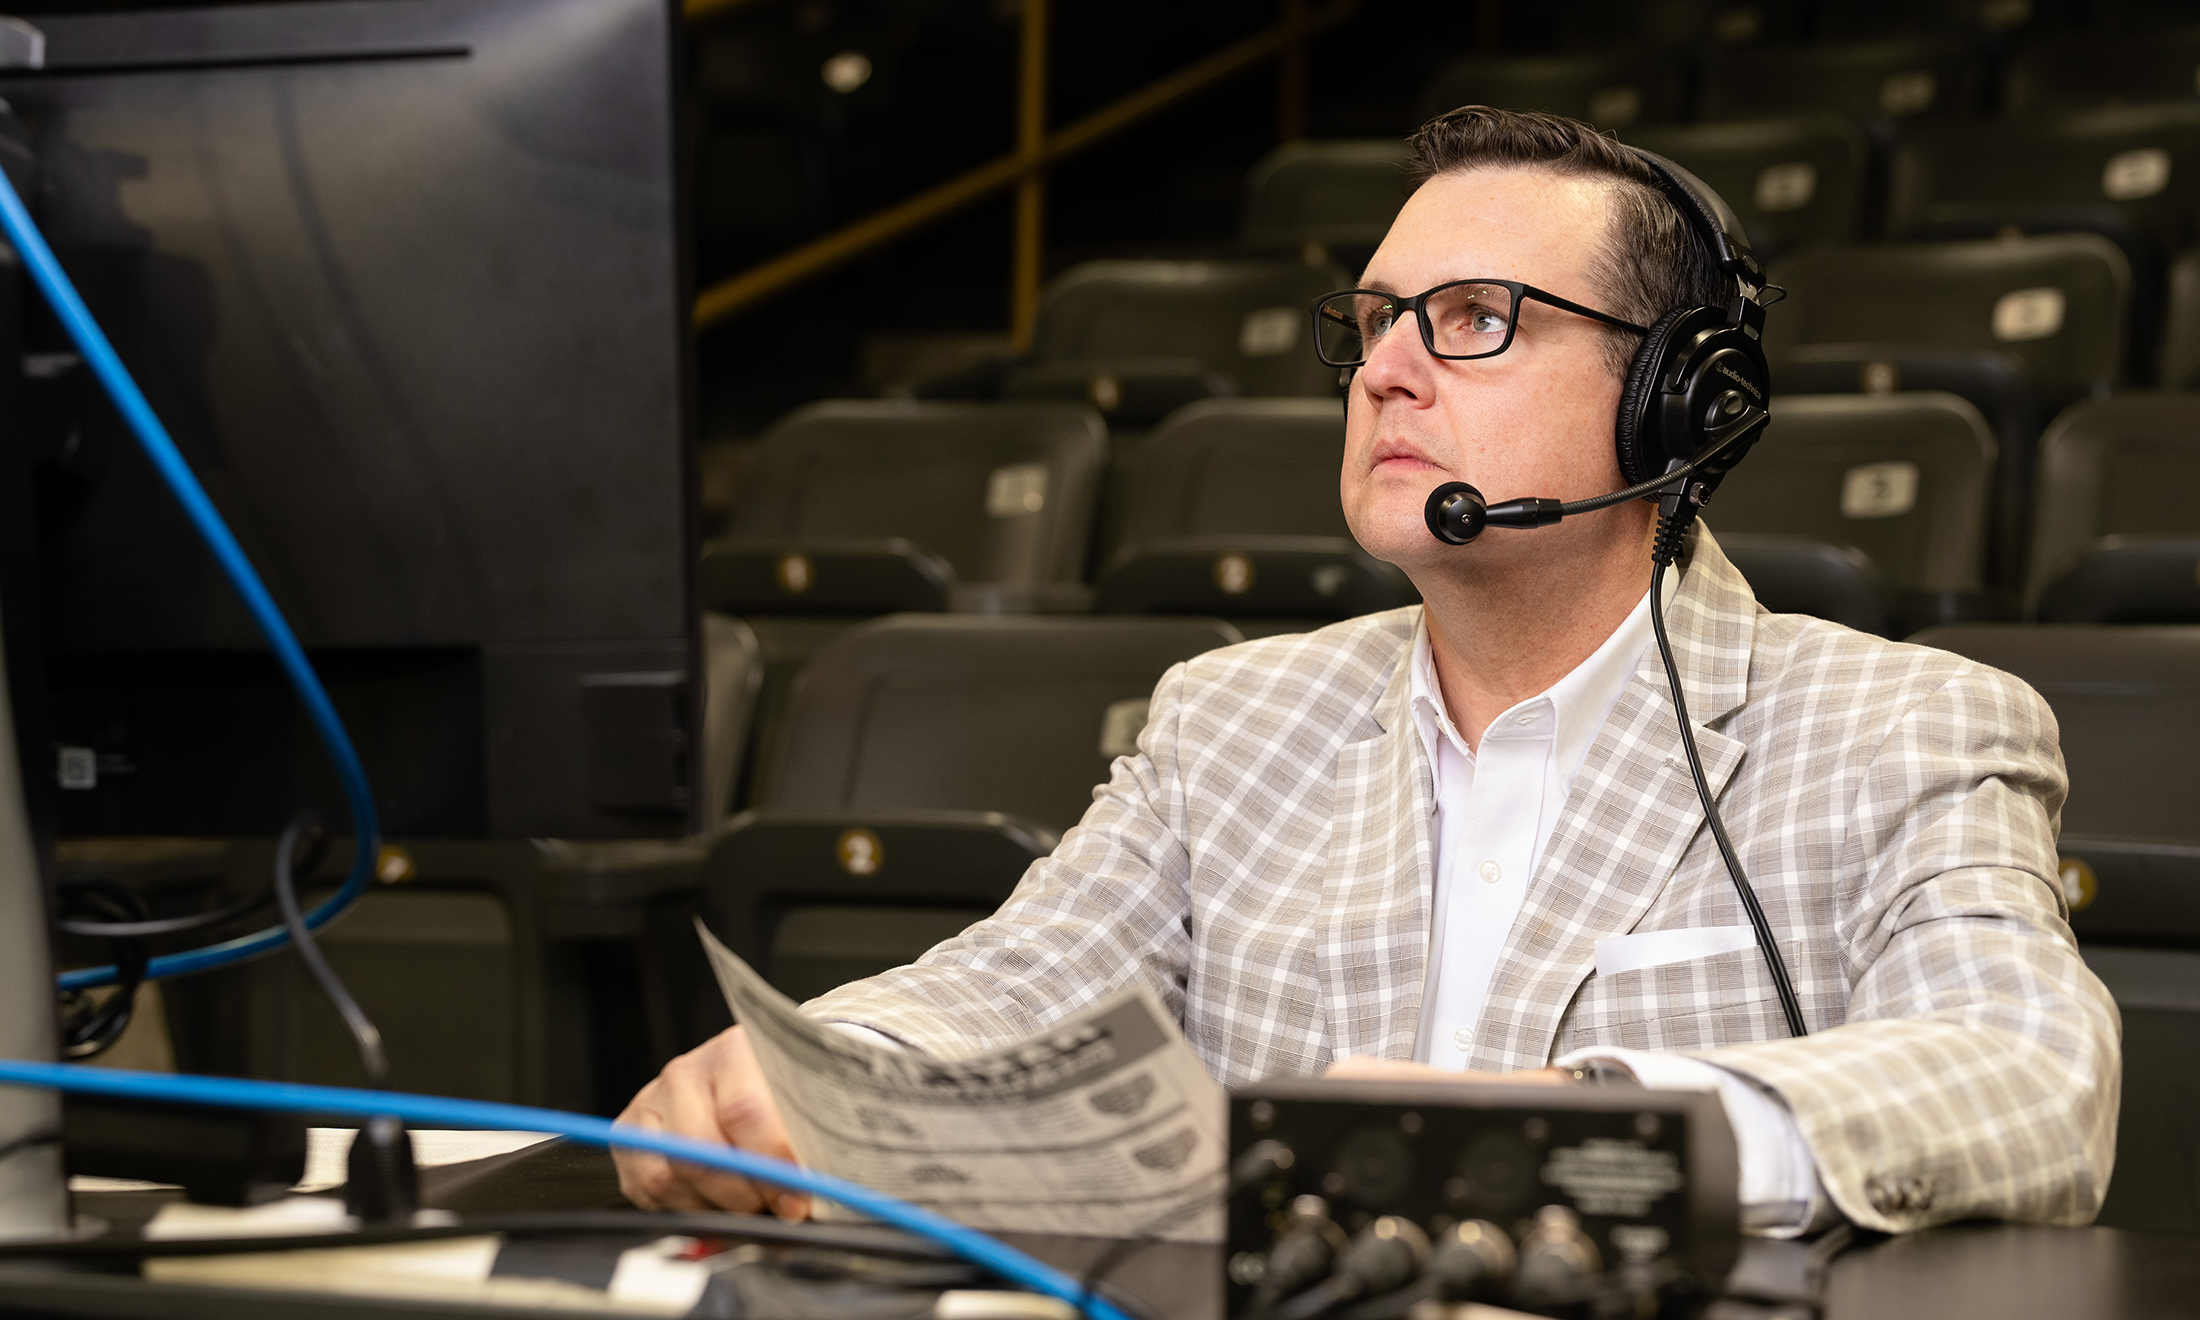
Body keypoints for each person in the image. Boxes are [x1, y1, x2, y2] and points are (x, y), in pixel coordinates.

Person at [616, 107, 2118, 1235]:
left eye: (1473, 321)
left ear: (1675, 401)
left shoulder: (1904, 724)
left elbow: (2032, 1072)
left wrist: (1604, 1136)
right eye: (1380, 320)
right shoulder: (1236, 715)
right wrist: (811, 1082)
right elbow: (1008, 995)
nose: (1387, 368)